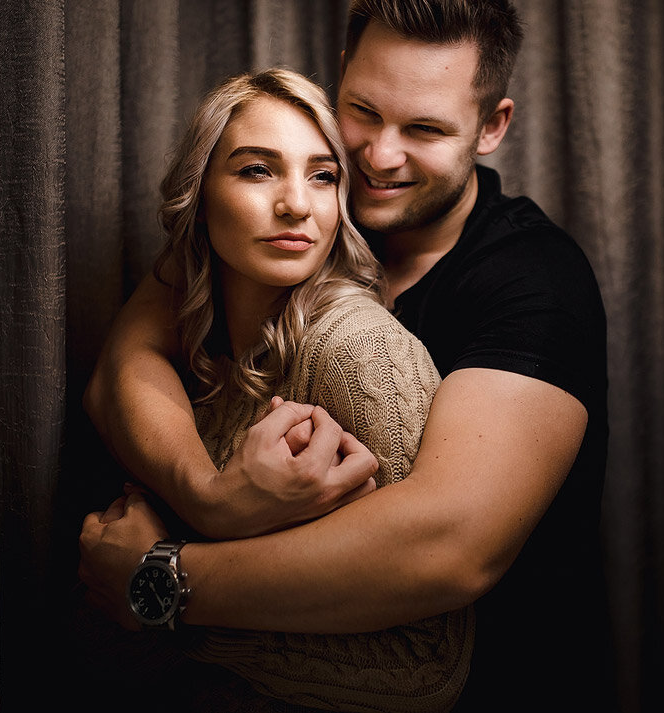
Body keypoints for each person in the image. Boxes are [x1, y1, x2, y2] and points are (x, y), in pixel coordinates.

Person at [79, 0, 615, 711]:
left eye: (424, 129)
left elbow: (450, 547)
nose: (377, 156)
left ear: (492, 126)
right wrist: (212, 496)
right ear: (341, 77)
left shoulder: (534, 281)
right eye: (363, 110)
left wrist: (164, 579)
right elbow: (126, 362)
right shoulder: (300, 215)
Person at [79, 67, 473, 712]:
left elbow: (423, 665)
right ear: (198, 194)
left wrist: (160, 606)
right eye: (257, 170)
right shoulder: (205, 353)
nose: (297, 204)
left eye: (323, 175)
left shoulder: (358, 352)